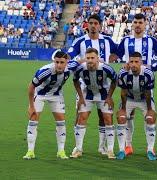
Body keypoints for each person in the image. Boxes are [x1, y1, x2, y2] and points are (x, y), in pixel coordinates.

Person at [117, 13, 157, 156]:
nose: (138, 25)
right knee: (128, 116)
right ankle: (128, 146)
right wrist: (122, 64)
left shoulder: (151, 40)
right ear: (132, 24)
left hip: (145, 82)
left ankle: (150, 149)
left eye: (141, 22)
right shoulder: (126, 40)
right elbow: (115, 55)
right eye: (135, 22)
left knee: (150, 117)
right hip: (129, 80)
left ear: (145, 24)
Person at [68, 14, 118, 155]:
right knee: (80, 115)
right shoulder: (80, 41)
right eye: (91, 23)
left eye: (96, 23)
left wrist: (109, 61)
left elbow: (118, 52)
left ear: (100, 25)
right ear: (87, 25)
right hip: (86, 86)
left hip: (104, 85)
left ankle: (102, 147)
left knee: (104, 116)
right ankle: (78, 147)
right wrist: (73, 61)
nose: (93, 25)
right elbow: (70, 55)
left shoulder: (107, 40)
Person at [23, 51, 79, 160]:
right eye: (56, 62)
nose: (59, 65)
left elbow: (80, 62)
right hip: (40, 94)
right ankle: (30, 151)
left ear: (67, 62)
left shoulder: (71, 66)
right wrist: (31, 106)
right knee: (33, 120)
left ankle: (61, 151)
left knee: (61, 122)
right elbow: (31, 87)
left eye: (62, 62)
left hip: (56, 95)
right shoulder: (44, 71)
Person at [70, 48, 117, 159]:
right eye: (88, 58)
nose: (90, 60)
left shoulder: (106, 68)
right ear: (85, 58)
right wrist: (81, 97)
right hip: (88, 93)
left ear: (97, 58)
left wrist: (109, 97)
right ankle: (78, 149)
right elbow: (75, 81)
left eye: (92, 58)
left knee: (108, 119)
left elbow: (115, 81)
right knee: (82, 118)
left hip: (103, 94)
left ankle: (109, 149)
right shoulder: (80, 69)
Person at [116, 52, 157, 161]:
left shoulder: (148, 73)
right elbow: (123, 93)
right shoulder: (123, 73)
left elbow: (148, 93)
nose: (133, 64)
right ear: (128, 62)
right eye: (131, 62)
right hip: (129, 99)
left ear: (141, 63)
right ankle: (123, 149)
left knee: (150, 119)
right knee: (121, 118)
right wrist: (123, 109)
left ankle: (150, 149)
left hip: (144, 99)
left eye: (136, 62)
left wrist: (149, 110)